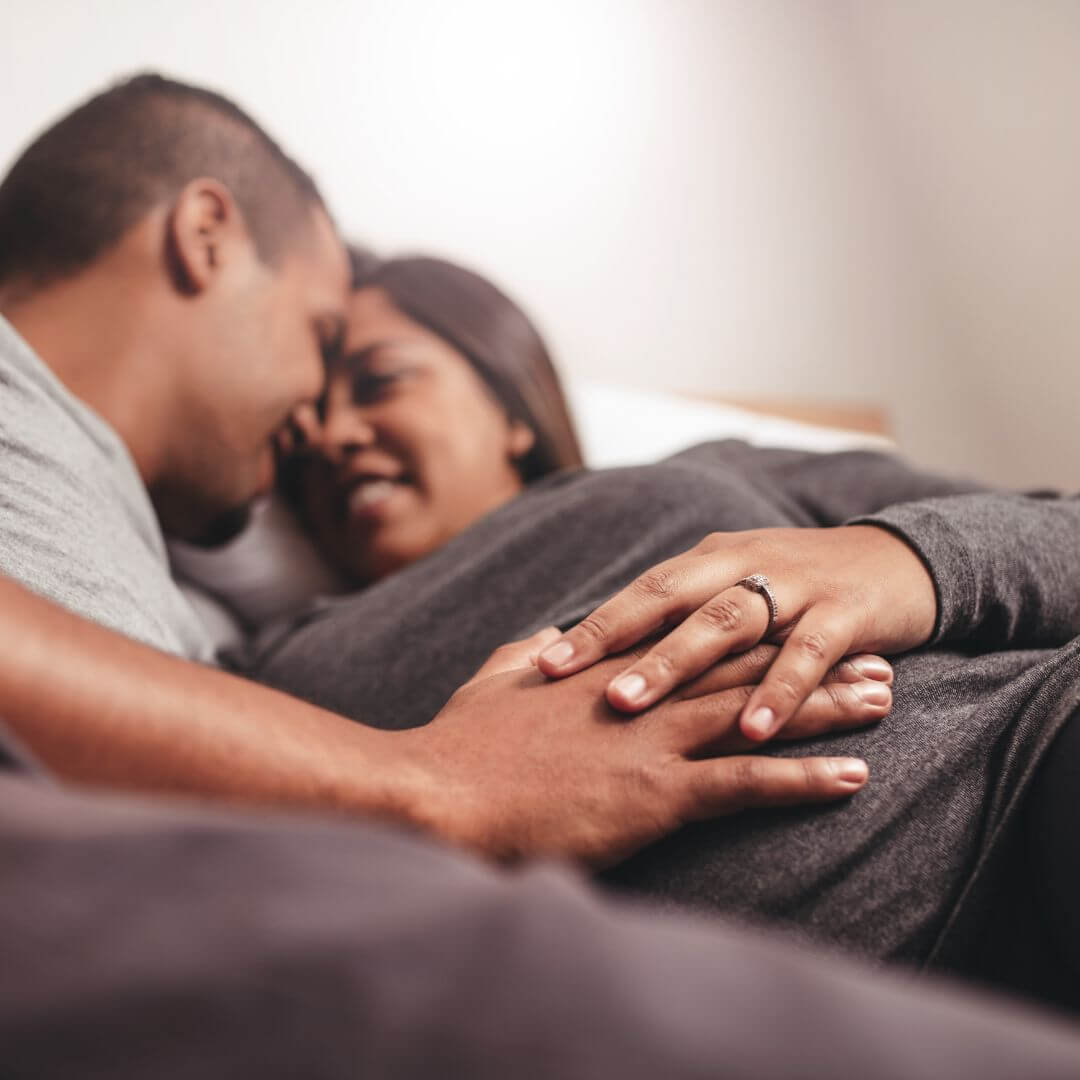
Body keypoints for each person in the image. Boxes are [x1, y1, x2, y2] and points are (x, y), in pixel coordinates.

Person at [0, 73, 874, 863]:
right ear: (204, 237)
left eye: (368, 372)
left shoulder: (162, 583)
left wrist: (900, 567)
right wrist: (422, 780)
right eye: (319, 335)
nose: (314, 422)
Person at [247, 249, 1080, 996]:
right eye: (302, 426)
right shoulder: (267, 669)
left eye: (380, 381)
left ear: (509, 404)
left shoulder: (705, 470)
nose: (333, 436)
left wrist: (909, 560)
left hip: (1035, 751)